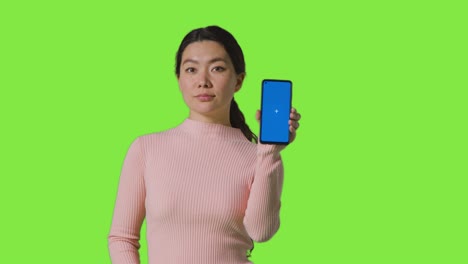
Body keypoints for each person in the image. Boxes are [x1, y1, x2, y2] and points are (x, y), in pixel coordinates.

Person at [108, 25, 302, 264]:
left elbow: (261, 232)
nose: (203, 81)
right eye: (191, 69)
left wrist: (269, 153)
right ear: (179, 79)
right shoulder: (146, 149)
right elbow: (122, 238)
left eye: (217, 68)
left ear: (238, 81)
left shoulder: (261, 156)